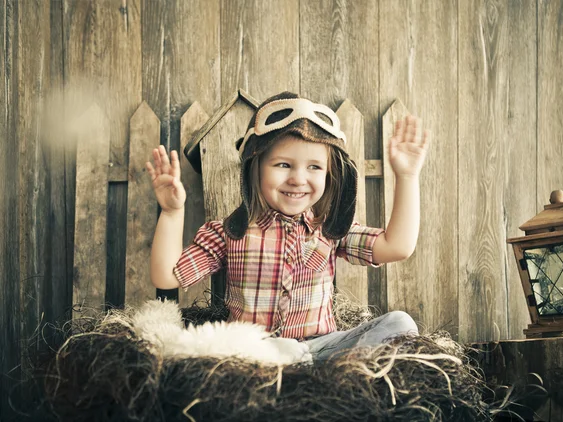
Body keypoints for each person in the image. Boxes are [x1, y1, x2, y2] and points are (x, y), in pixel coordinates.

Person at [146, 92, 429, 360]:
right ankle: (306, 369)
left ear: (330, 175)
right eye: (283, 164)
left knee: (400, 324)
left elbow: (397, 247)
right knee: (277, 349)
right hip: (259, 352)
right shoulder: (231, 233)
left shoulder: (329, 229)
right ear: (254, 168)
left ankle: (321, 366)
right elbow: (167, 277)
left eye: (314, 167)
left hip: (322, 345)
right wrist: (172, 213)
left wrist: (407, 176)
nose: (298, 178)